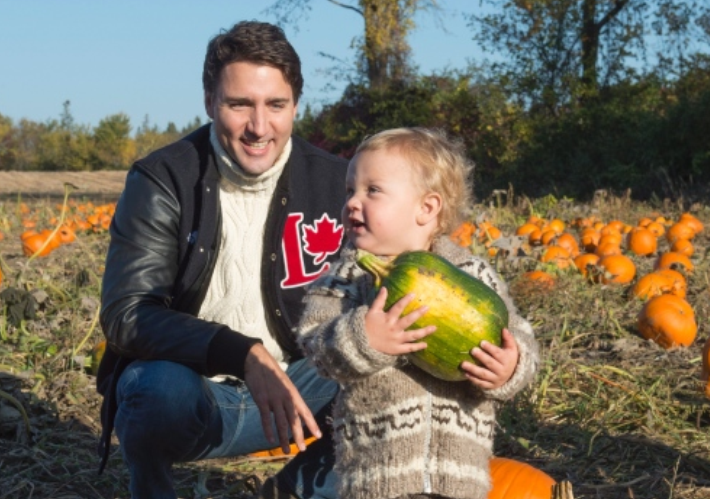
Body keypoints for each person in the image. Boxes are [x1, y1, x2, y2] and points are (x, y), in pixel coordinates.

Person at [95, 21, 347, 499]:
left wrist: (504, 355)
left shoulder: (337, 183)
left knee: (387, 356)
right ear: (210, 101)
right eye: (239, 105)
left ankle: (301, 487)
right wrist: (241, 351)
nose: (259, 126)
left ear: (295, 104)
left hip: (297, 389)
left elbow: (407, 281)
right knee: (153, 389)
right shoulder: (162, 179)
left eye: (275, 105)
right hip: (196, 394)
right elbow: (127, 314)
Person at [296, 127, 540, 499]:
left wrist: (511, 366)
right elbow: (315, 345)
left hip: (459, 477)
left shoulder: (470, 275)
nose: (352, 202)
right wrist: (364, 339)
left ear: (427, 208)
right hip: (379, 478)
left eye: (372, 190)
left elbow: (518, 334)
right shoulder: (346, 278)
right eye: (350, 191)